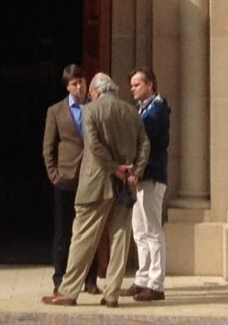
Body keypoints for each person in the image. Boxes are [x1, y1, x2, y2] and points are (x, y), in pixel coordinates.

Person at [46, 71, 148, 307]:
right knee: (120, 239)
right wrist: (135, 171)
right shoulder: (131, 111)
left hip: (96, 183)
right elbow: (145, 143)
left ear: (95, 91)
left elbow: (93, 144)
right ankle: (111, 295)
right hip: (125, 185)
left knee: (83, 237)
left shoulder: (90, 110)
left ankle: (69, 291)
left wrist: (114, 168)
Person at [42, 63, 89, 293]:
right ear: (67, 87)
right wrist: (54, 175)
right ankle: (59, 277)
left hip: (89, 178)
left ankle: (90, 279)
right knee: (63, 231)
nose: (79, 87)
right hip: (65, 178)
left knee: (89, 229)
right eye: (74, 83)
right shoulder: (56, 111)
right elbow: (48, 146)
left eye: (81, 82)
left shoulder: (94, 107)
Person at [124, 70, 170, 302]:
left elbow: (144, 135)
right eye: (131, 85)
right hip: (140, 178)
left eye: (136, 84)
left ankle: (156, 283)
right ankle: (142, 278)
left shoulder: (158, 110)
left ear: (150, 85)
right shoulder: (142, 109)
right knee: (139, 230)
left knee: (153, 230)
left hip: (151, 176)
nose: (132, 89)